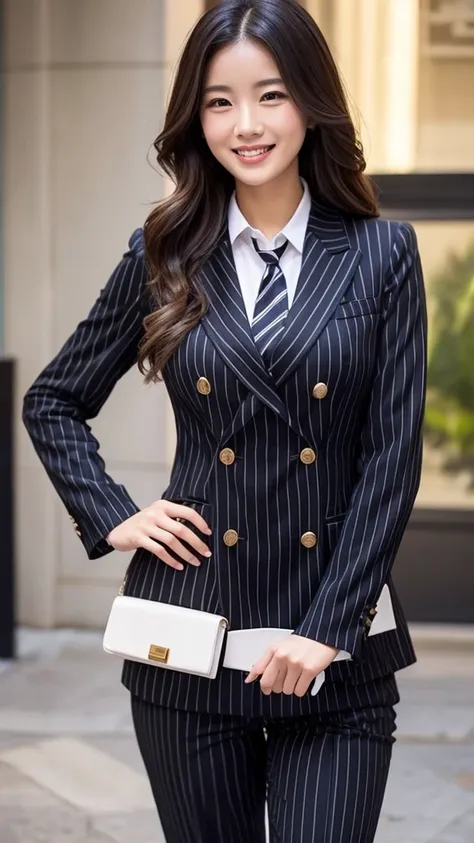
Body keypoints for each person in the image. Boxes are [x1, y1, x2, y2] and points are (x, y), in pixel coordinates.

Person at [22, 0, 427, 840]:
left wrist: (325, 630)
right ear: (194, 116)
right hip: (192, 637)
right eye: (218, 101)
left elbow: (391, 459)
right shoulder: (163, 253)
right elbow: (52, 400)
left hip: (334, 646)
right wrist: (116, 513)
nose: (246, 124)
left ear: (311, 101)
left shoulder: (383, 254)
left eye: (270, 95)